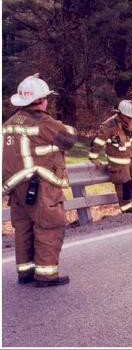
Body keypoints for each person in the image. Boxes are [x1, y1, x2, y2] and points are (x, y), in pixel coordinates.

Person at [3, 74, 77, 287]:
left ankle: (25, 272)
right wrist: (62, 124)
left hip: (16, 186)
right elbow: (69, 138)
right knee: (48, 226)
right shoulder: (43, 121)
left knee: (24, 229)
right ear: (42, 99)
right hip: (41, 184)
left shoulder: (9, 123)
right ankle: (46, 275)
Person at [88, 100, 132, 213]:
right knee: (124, 182)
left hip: (131, 157)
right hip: (118, 160)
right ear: (122, 115)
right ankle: (126, 206)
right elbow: (98, 141)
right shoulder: (109, 126)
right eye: (130, 117)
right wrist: (94, 157)